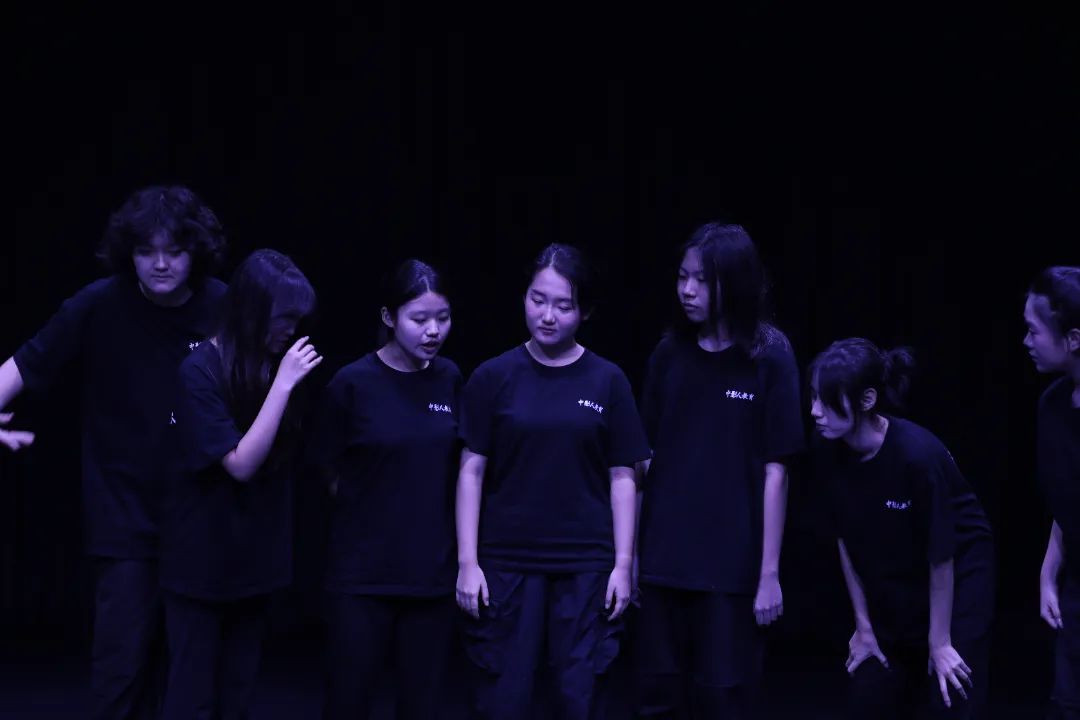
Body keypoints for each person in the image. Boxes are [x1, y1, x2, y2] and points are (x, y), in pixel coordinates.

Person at [0, 185, 226, 719]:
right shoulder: (99, 304)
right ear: (130, 253)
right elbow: (24, 365)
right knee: (121, 669)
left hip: (204, 515)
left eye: (175, 250)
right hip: (124, 516)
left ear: (195, 251)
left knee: (194, 679)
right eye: (147, 251)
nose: (161, 264)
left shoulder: (224, 305)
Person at [455, 243, 650, 719]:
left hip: (585, 561)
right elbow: (471, 470)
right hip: (506, 561)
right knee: (504, 699)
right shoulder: (493, 376)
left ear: (585, 312)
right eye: (537, 300)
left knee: (578, 697)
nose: (547, 316)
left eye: (563, 306)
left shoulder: (608, 380)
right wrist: (467, 562)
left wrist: (623, 564)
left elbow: (623, 475)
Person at [633, 222, 804, 718]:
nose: (687, 290)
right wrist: (633, 557)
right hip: (664, 563)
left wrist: (769, 574)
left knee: (723, 698)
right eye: (682, 277)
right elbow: (643, 459)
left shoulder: (769, 356)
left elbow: (777, 470)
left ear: (736, 282)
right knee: (657, 698)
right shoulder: (669, 354)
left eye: (702, 280)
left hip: (732, 570)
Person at [160, 248, 321, 720]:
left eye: (297, 319)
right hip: (201, 568)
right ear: (254, 311)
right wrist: (283, 385)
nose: (292, 329)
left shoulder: (271, 366)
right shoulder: (199, 370)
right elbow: (240, 464)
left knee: (238, 696)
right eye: (285, 318)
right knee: (191, 699)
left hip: (255, 563)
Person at [809, 338, 994, 719]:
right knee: (871, 693)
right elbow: (845, 539)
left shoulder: (917, 457)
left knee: (950, 691)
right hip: (896, 565)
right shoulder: (827, 447)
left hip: (957, 571)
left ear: (867, 400)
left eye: (826, 401)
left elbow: (941, 555)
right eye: (812, 397)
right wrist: (863, 627)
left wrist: (940, 642)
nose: (814, 411)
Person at [312, 259, 462, 719]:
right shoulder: (352, 383)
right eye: (419, 319)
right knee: (349, 703)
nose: (433, 331)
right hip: (362, 578)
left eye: (442, 318)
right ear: (388, 317)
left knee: (422, 706)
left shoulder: (451, 378)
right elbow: (326, 468)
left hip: (431, 578)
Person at [1024, 266, 1080, 719]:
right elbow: (1067, 502)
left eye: (1034, 330)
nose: (1026, 341)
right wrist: (1048, 572)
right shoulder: (1054, 405)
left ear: (1073, 338)